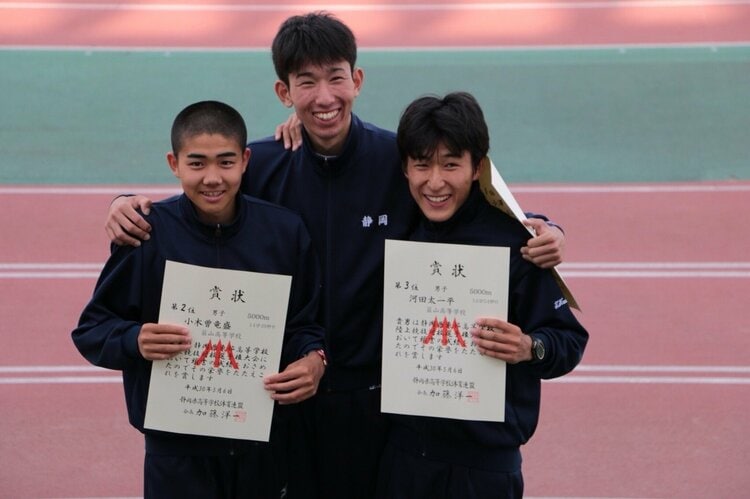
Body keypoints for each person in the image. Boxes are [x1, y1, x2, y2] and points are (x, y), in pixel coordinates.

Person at [103, 12, 567, 498]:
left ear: (357, 80)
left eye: (335, 78)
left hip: (375, 404)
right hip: (280, 402)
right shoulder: (262, 164)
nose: (324, 97)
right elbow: (200, 193)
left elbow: (468, 200)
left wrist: (544, 227)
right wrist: (125, 203)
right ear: (285, 93)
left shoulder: (400, 160)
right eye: (307, 83)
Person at [72, 100, 326, 499]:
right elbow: (91, 329)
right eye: (196, 163)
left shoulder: (284, 232)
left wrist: (313, 357)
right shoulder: (146, 233)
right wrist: (134, 339)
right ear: (174, 164)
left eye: (225, 162)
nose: (212, 178)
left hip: (262, 445)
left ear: (245, 160)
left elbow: (303, 325)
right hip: (176, 453)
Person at [375, 91, 588, 499]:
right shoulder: (394, 225)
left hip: (485, 467)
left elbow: (569, 341)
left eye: (451, 165)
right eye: (422, 165)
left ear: (477, 168)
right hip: (402, 458)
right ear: (404, 168)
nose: (434, 182)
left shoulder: (518, 244)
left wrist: (530, 347)